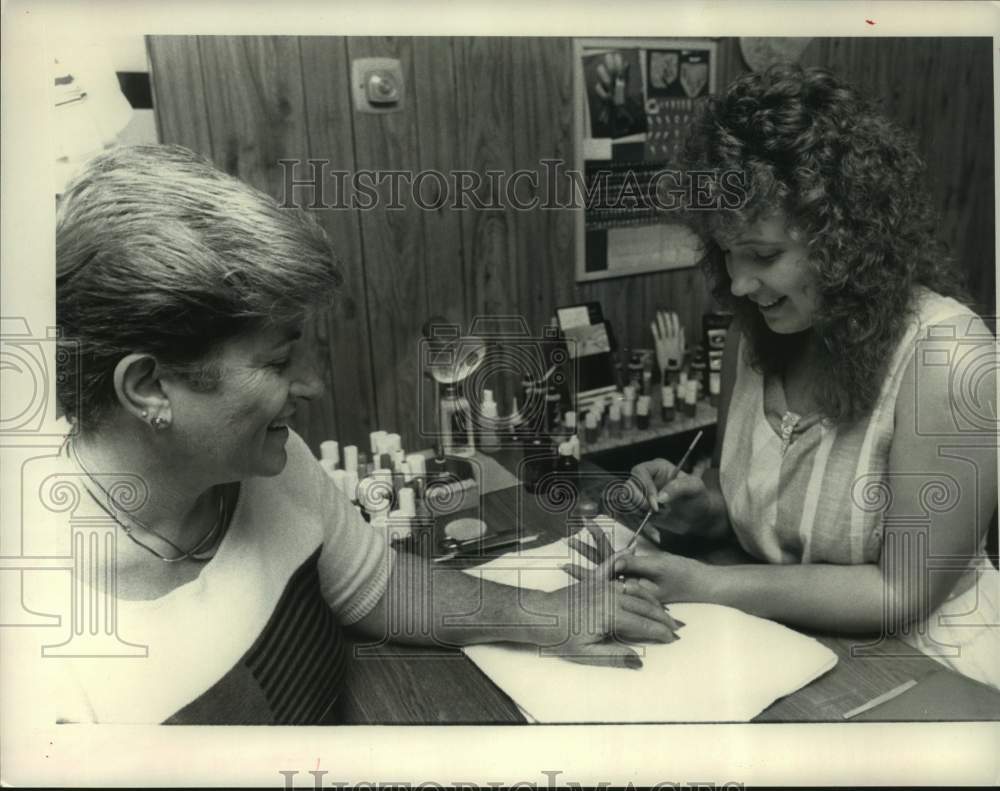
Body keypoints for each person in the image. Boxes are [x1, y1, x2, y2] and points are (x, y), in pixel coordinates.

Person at [16, 144, 679, 725]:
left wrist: (549, 614)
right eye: (278, 362)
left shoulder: (272, 464)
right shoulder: (36, 631)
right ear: (148, 388)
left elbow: (376, 584)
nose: (312, 386)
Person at [618, 65, 999, 689]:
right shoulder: (757, 333)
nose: (739, 284)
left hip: (932, 672)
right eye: (726, 253)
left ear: (845, 238)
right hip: (787, 652)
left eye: (764, 256)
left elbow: (902, 592)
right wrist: (705, 511)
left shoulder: (947, 357)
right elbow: (773, 517)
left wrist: (710, 585)